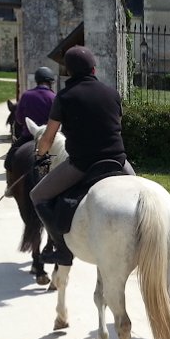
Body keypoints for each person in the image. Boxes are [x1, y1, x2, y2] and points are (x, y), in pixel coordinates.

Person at [30, 45, 135, 265]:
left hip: (82, 165)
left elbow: (48, 138)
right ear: (94, 70)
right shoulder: (112, 94)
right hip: (118, 161)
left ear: (69, 72)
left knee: (37, 196)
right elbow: (117, 126)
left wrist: (41, 154)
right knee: (142, 196)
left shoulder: (64, 97)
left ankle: (61, 249)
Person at [4, 66, 56, 174]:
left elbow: (18, 119)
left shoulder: (26, 95)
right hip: (50, 139)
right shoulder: (54, 97)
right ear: (51, 82)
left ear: (37, 81)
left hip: (28, 136)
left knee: (9, 161)